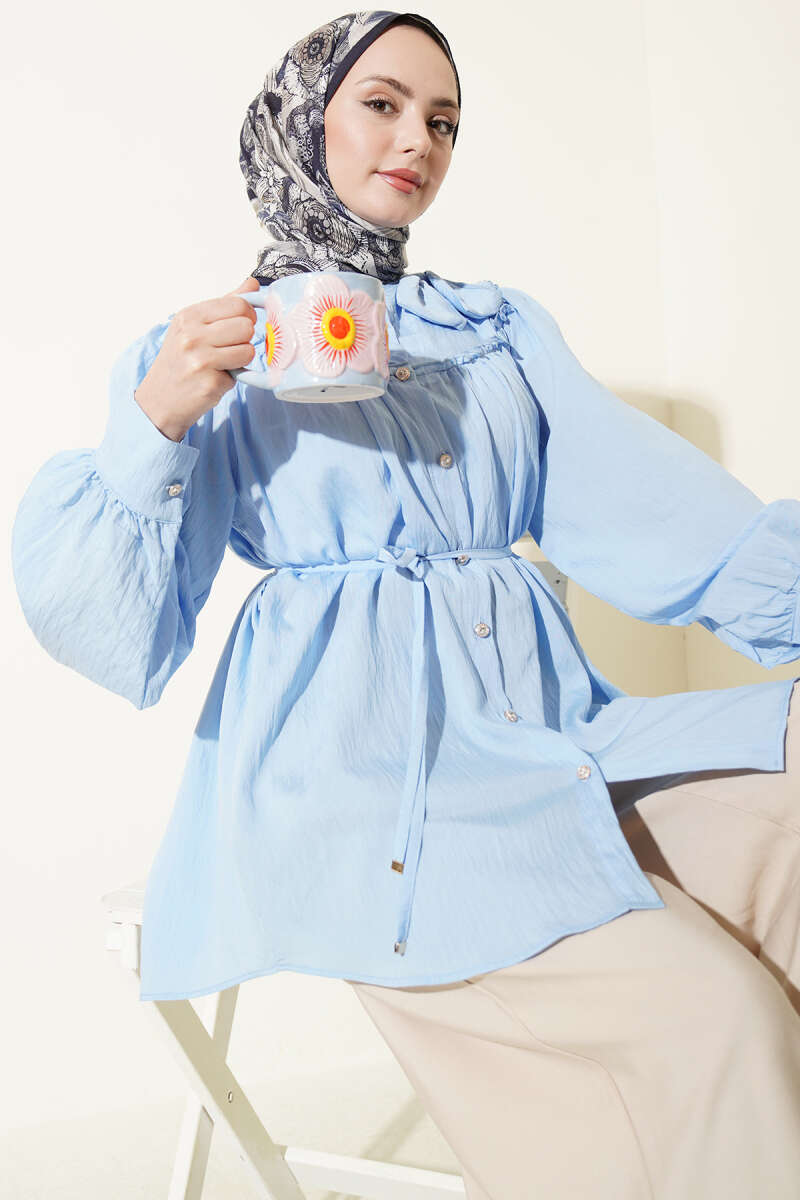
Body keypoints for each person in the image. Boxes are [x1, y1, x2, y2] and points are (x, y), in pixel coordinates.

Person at [10, 9, 800, 1197]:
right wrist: (156, 420)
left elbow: (660, 516)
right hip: (365, 783)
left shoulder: (492, 334)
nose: (417, 140)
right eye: (381, 104)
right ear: (301, 123)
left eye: (442, 120)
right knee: (712, 1013)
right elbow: (110, 630)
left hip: (547, 736)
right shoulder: (208, 353)